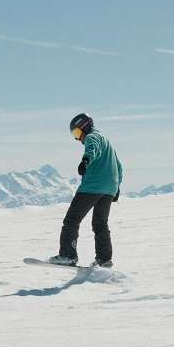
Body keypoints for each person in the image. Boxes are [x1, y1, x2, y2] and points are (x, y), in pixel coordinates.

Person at [49, 113, 123, 268]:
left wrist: (86, 161)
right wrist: (116, 187)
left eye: (76, 133)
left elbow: (92, 148)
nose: (77, 138)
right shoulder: (107, 141)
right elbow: (118, 165)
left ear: (84, 127)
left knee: (72, 220)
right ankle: (104, 260)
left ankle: (68, 256)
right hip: (109, 188)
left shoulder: (92, 137)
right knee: (100, 224)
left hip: (93, 186)